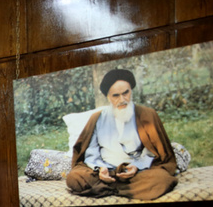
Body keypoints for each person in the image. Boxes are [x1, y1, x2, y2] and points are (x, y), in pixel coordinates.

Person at [66, 68, 178, 200]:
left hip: (137, 173)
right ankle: (125, 189)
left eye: (126, 93)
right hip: (105, 172)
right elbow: (91, 152)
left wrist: (136, 167)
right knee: (75, 178)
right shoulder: (97, 118)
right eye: (116, 96)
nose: (122, 99)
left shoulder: (147, 115)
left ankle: (106, 190)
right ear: (108, 97)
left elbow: (152, 152)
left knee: (161, 179)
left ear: (131, 91)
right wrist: (100, 169)